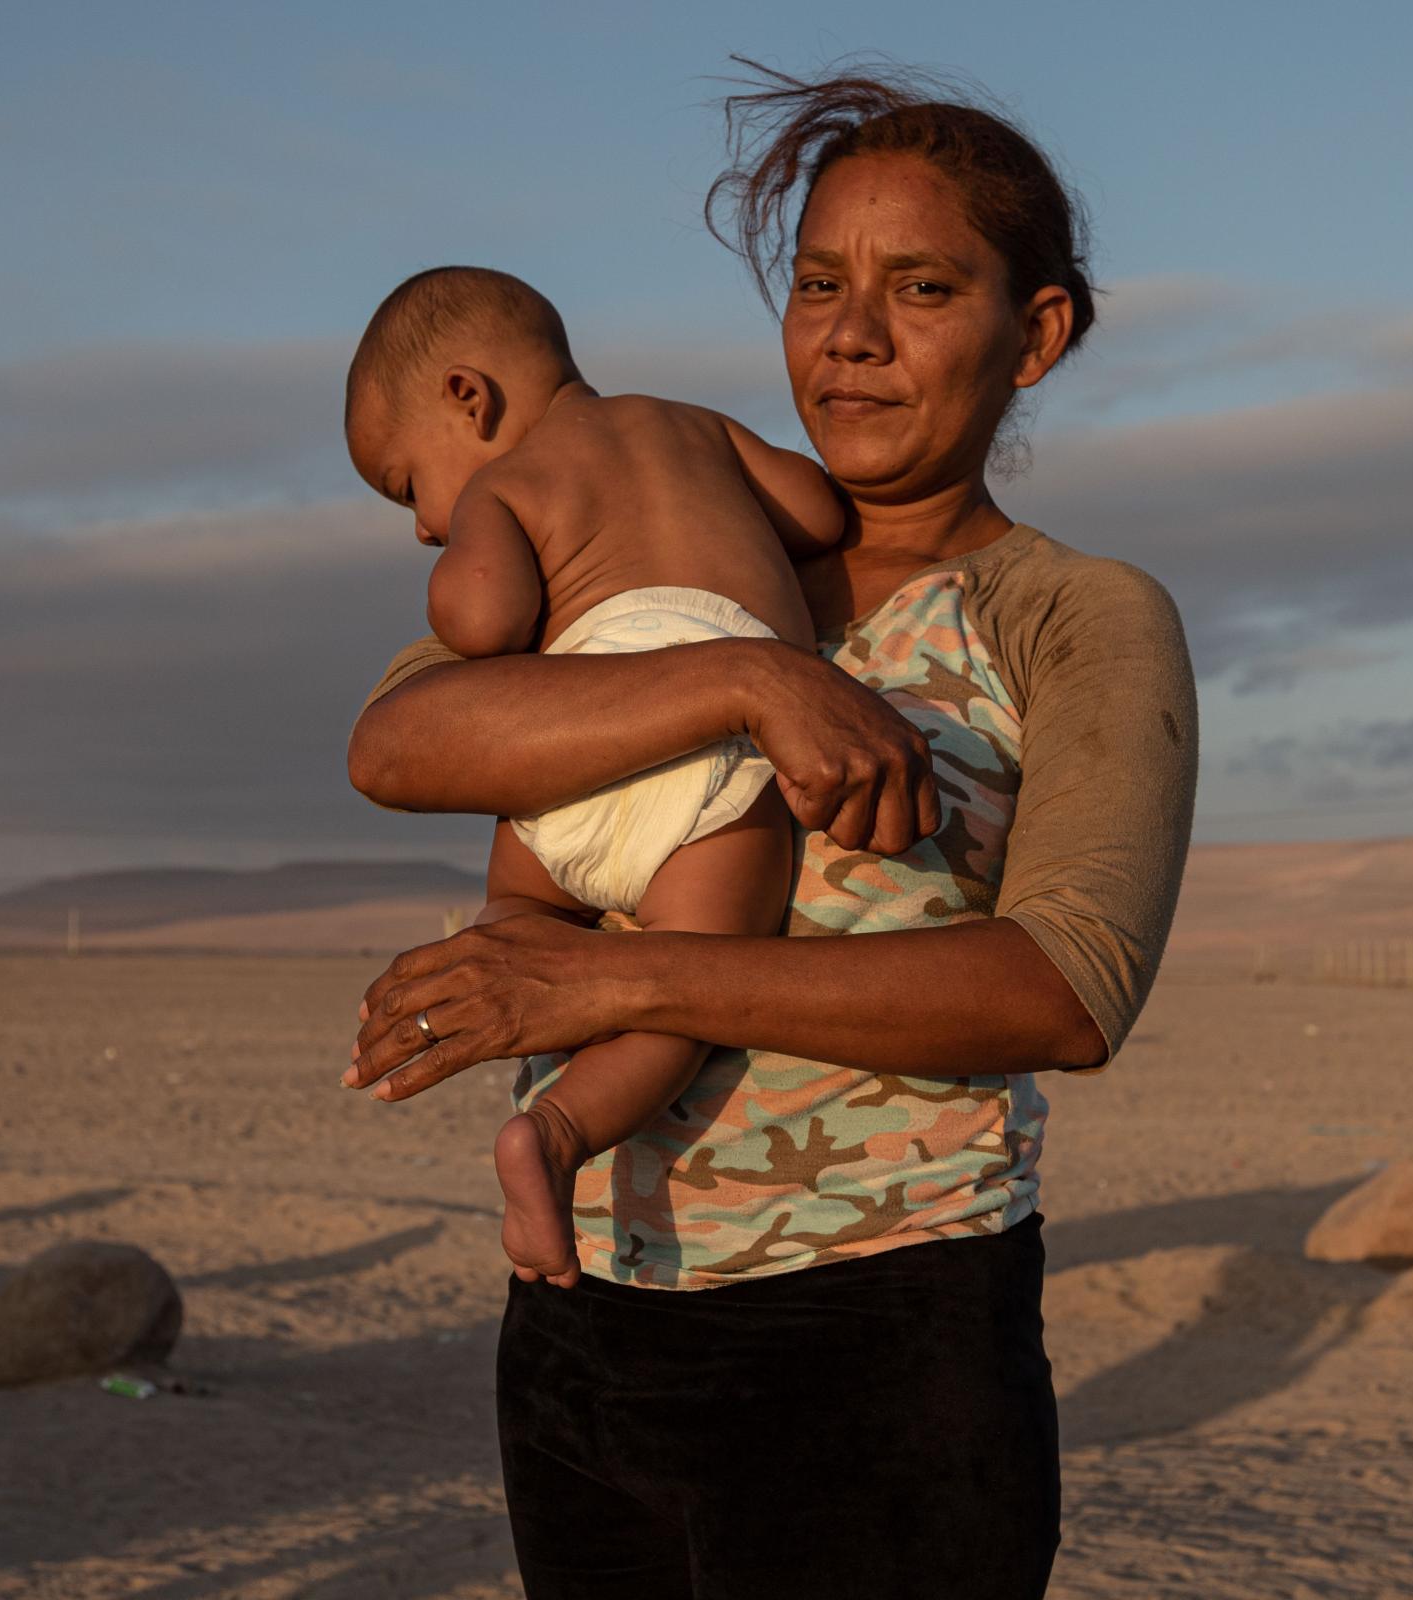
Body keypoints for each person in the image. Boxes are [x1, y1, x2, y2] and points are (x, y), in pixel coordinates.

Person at [344, 60, 1197, 1599]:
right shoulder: (656, 549)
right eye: (819, 284)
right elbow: (400, 737)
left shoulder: (1069, 613)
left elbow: (1063, 990)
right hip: (585, 1329)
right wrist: (746, 675)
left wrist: (615, 987)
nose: (853, 336)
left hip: (882, 1345)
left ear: (1039, 334)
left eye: (922, 288)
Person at [342, 265, 848, 1286]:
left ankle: (469, 993)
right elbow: (821, 514)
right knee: (695, 969)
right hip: (710, 758)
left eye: (408, 487)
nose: (422, 525)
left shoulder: (506, 483)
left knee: (519, 900)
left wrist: (464, 564)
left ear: (468, 400)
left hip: (584, 727)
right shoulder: (696, 428)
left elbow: (481, 618)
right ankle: (560, 1134)